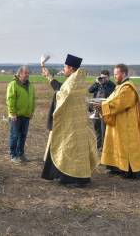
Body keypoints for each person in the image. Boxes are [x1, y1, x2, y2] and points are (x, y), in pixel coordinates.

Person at [41, 54, 98, 186]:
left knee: (71, 150)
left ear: (71, 68)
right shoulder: (75, 79)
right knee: (70, 149)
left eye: (65, 67)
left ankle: (75, 178)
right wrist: (49, 77)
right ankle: (71, 176)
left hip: (72, 124)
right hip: (74, 123)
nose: (64, 69)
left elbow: (62, 94)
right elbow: (62, 90)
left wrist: (50, 78)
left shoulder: (74, 81)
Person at [93, 64, 140, 179]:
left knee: (126, 147)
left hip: (126, 125)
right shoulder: (120, 87)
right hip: (117, 123)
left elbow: (118, 104)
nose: (114, 76)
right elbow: (110, 100)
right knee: (116, 145)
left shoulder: (128, 88)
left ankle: (129, 170)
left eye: (116, 74)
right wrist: (102, 104)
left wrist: (103, 106)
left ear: (123, 74)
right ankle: (116, 168)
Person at [6, 66, 35, 163]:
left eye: (28, 73)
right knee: (14, 136)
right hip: (16, 116)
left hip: (26, 115)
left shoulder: (30, 85)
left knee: (23, 135)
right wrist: (12, 113)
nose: (27, 75)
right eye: (25, 73)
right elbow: (10, 100)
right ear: (20, 74)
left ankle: (20, 154)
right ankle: (13, 155)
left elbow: (33, 99)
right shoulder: (13, 84)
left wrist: (31, 112)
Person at [88, 70, 115, 151]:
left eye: (104, 77)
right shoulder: (98, 84)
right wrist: (96, 83)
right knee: (97, 128)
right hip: (95, 110)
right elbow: (90, 90)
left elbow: (110, 95)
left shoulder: (112, 85)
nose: (102, 79)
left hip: (105, 109)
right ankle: (98, 144)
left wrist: (103, 85)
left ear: (108, 77)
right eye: (101, 77)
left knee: (104, 129)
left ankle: (104, 146)